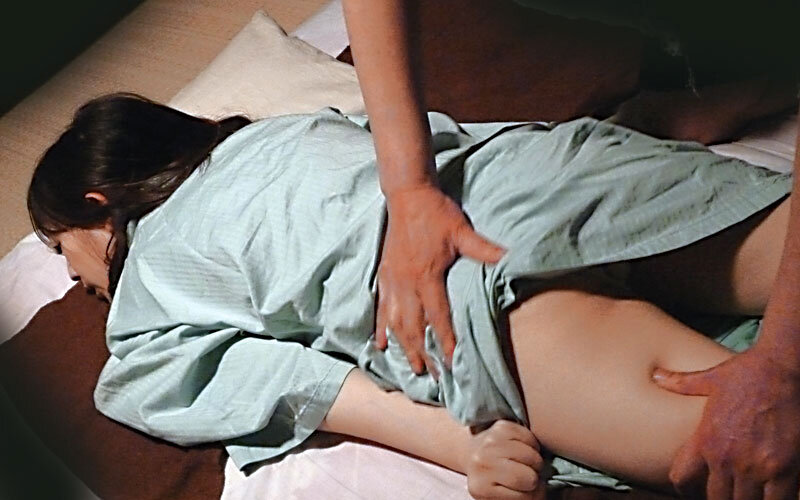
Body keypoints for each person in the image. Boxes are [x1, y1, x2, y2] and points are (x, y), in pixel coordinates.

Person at [28, 93, 793, 496]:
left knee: (759, 458)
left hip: (449, 292)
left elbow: (278, 381)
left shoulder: (146, 286)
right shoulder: (289, 129)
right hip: (525, 176)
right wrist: (626, 128)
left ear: (99, 206)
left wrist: (462, 444)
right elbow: (441, 137)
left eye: (61, 248)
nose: (70, 277)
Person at [340, 0, 800, 497]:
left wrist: (783, 361)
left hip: (514, 178)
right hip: (480, 234)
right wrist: (409, 190)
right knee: (751, 454)